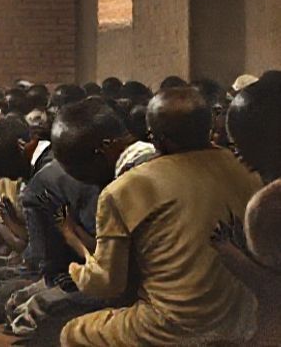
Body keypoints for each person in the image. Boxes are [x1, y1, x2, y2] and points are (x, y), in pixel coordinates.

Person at [59, 88, 261, 346]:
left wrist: (76, 263)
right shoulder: (248, 170)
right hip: (243, 322)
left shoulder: (124, 189)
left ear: (158, 140)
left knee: (73, 332)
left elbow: (108, 284)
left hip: (172, 326)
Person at [214, 73, 281, 344]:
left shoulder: (268, 206)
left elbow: (273, 292)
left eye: (241, 143)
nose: (236, 153)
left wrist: (230, 253)